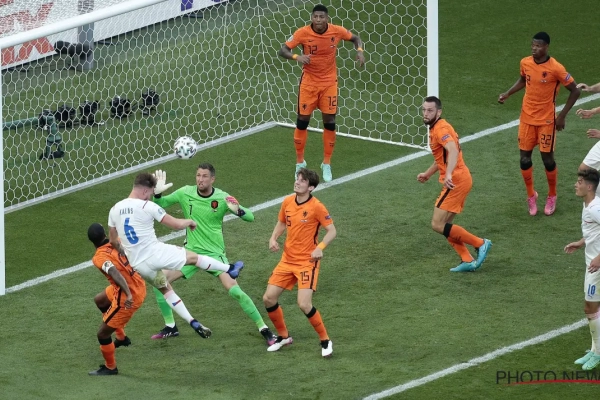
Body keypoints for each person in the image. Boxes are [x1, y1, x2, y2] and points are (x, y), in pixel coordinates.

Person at [107, 172, 245, 340]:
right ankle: (229, 268)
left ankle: (191, 321)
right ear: (144, 191)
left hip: (138, 264)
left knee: (165, 289)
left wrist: (125, 251)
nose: (150, 197)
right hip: (156, 253)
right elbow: (176, 224)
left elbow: (113, 240)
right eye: (150, 193)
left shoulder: (114, 209)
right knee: (194, 258)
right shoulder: (148, 206)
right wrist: (190, 222)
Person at [150, 164, 277, 345]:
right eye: (198, 175)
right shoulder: (185, 192)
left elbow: (250, 217)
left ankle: (264, 329)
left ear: (212, 179)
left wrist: (238, 210)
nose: (200, 179)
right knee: (159, 281)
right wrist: (157, 194)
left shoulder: (223, 197)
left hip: (215, 255)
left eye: (204, 176)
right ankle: (171, 326)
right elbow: (160, 205)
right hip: (191, 253)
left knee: (236, 291)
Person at [278, 4, 365, 182]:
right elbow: (283, 50)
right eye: (315, 16)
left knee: (330, 122)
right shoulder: (302, 33)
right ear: (312, 17)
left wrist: (360, 52)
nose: (318, 20)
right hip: (308, 84)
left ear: (327, 18)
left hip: (329, 83)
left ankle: (326, 163)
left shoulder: (336, 31)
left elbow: (356, 38)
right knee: (302, 122)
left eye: (322, 17)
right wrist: (297, 57)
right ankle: (300, 162)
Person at [498, 31, 581, 216]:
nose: (534, 49)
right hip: (526, 119)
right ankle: (531, 195)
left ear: (546, 47)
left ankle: (552, 195)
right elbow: (523, 79)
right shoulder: (525, 62)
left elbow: (575, 90)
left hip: (546, 121)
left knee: (547, 160)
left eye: (538, 46)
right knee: (524, 159)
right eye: (532, 45)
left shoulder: (556, 68)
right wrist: (508, 93)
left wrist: (562, 116)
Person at [262, 168, 336, 357]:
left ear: (311, 187)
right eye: (297, 179)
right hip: (287, 260)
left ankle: (325, 340)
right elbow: (282, 222)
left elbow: (332, 231)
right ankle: (283, 336)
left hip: (306, 262)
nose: (297, 182)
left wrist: (320, 247)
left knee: (304, 304)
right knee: (268, 298)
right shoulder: (287, 201)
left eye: (302, 181)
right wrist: (273, 238)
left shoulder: (317, 207)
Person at [417, 96, 492, 272]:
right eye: (424, 110)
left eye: (430, 110)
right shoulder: (437, 127)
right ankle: (467, 259)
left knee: (437, 224)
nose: (426, 113)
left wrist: (449, 173)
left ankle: (480, 243)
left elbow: (452, 150)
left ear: (439, 112)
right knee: (446, 226)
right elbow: (441, 157)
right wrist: (428, 174)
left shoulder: (440, 129)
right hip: (460, 178)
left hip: (456, 180)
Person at [87, 223, 146, 376]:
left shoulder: (99, 257)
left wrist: (129, 294)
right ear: (104, 234)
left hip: (127, 294)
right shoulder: (117, 240)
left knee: (102, 334)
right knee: (100, 300)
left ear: (91, 241)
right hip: (136, 283)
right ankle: (121, 337)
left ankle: (111, 367)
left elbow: (114, 273)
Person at [564, 169, 600, 371]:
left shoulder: (594, 208)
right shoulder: (588, 205)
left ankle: (598, 353)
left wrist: (599, 258)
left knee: (590, 308)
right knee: (593, 307)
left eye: (579, 182)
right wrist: (581, 242)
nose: (576, 185)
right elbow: (594, 231)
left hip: (597, 266)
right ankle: (595, 349)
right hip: (592, 264)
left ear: (589, 186)